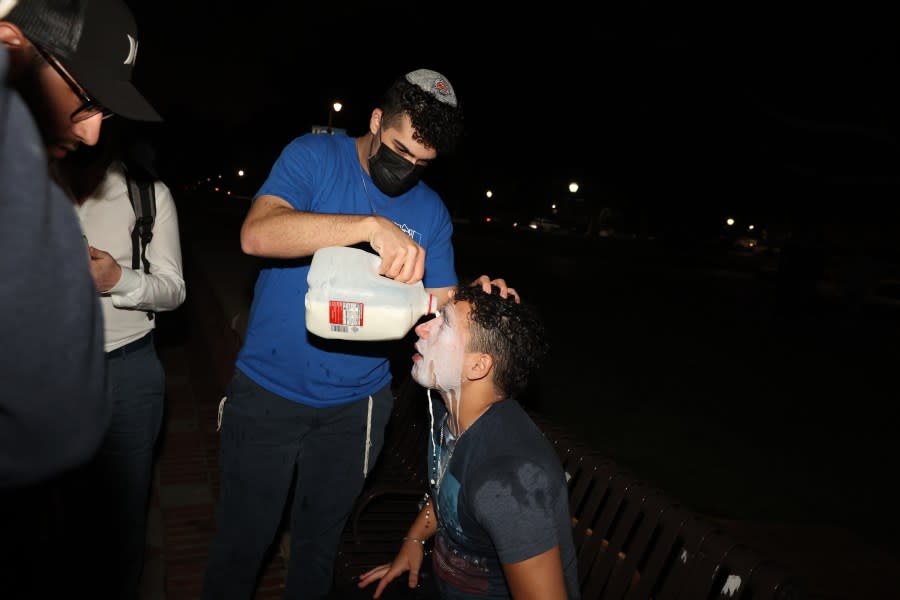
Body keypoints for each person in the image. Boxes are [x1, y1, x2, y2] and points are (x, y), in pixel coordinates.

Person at [202, 68, 517, 600]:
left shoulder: (431, 212)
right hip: (268, 391)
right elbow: (257, 234)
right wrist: (368, 228)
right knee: (242, 542)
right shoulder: (313, 156)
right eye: (398, 149)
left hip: (358, 409)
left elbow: (438, 304)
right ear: (375, 120)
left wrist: (476, 295)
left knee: (317, 548)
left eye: (423, 163)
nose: (407, 169)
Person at [358, 285, 580, 600]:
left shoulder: (508, 480)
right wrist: (413, 541)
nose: (422, 327)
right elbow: (448, 493)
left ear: (479, 366)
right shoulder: (450, 414)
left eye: (444, 322)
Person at [55, 123, 186, 599]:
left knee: (124, 514)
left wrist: (118, 279)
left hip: (127, 372)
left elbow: (173, 290)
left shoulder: (147, 194)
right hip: (48, 371)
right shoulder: (26, 179)